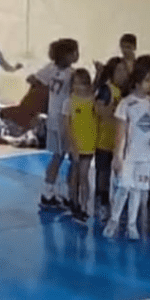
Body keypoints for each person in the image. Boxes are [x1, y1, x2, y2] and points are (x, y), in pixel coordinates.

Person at [102, 63, 150, 240]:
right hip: (128, 154)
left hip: (145, 154)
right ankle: (114, 220)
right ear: (137, 83)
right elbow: (120, 131)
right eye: (146, 80)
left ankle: (132, 224)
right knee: (123, 188)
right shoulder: (126, 103)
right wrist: (117, 155)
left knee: (137, 190)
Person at [33, 38, 80, 209]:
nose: (77, 55)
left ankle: (52, 191)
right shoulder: (72, 74)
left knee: (58, 156)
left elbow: (33, 79)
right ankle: (50, 193)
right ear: (67, 54)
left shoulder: (50, 69)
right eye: (74, 52)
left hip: (52, 119)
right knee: (61, 157)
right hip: (63, 120)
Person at [93, 57, 129, 223]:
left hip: (119, 142)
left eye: (124, 70)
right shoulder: (107, 89)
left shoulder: (125, 92)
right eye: (119, 70)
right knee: (103, 175)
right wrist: (115, 110)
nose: (123, 74)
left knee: (119, 178)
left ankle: (118, 206)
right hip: (104, 140)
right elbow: (99, 110)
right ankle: (101, 205)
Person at [63, 68, 97, 224]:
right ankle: (74, 202)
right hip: (76, 145)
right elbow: (67, 126)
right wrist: (72, 146)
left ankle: (84, 206)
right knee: (74, 174)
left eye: (82, 83)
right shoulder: (69, 101)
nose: (78, 87)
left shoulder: (93, 100)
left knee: (84, 175)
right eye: (75, 83)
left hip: (89, 144)